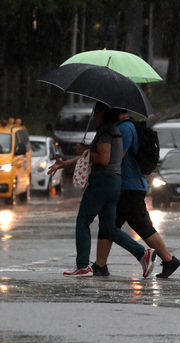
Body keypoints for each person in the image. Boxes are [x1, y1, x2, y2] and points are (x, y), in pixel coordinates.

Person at [48, 102, 156, 277]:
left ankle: (83, 265)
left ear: (105, 113)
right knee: (108, 228)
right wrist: (64, 164)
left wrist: (84, 149)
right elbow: (89, 157)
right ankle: (142, 254)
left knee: (83, 221)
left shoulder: (106, 132)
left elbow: (103, 159)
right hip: (114, 182)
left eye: (96, 111)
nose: (93, 115)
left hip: (102, 181)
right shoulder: (114, 130)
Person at [92, 109, 180, 279]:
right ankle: (100, 265)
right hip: (125, 186)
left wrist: (96, 154)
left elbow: (117, 157)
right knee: (109, 225)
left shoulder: (125, 129)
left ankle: (169, 260)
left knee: (141, 226)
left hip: (129, 186)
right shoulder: (125, 127)